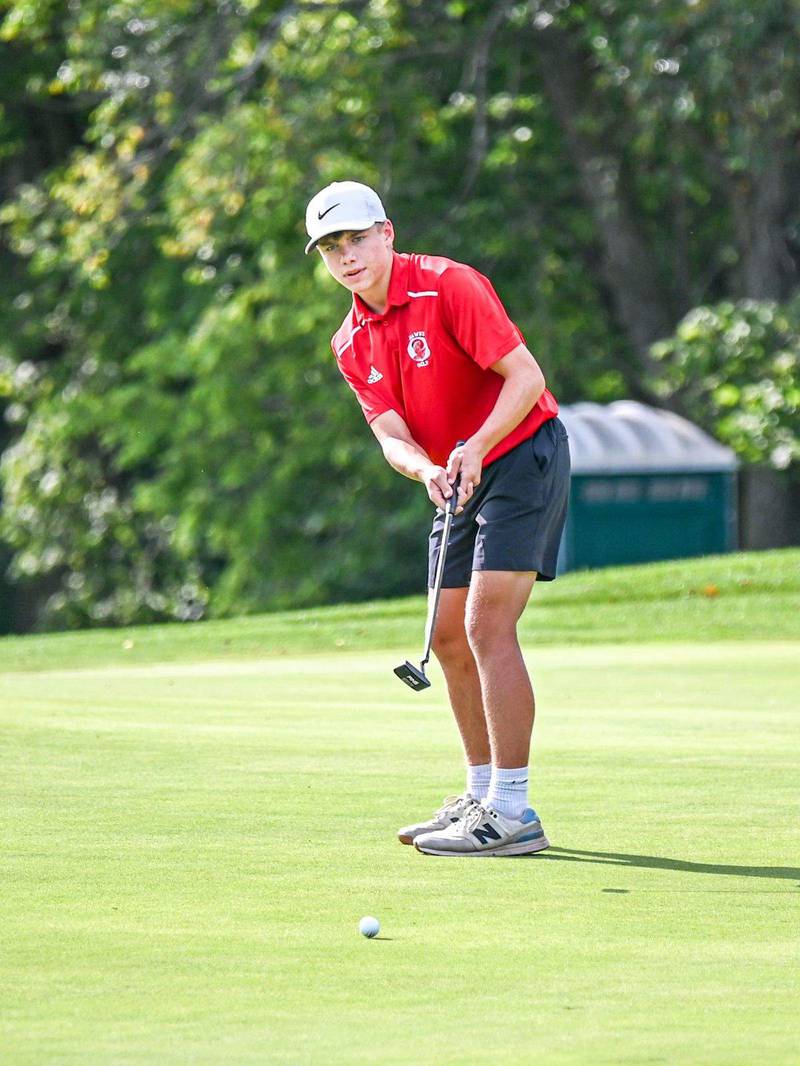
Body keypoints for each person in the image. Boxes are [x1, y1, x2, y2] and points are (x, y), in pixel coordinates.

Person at [304, 180, 570, 857]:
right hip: (452, 472)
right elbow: (391, 435)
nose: (347, 255)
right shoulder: (350, 342)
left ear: (386, 233)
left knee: (485, 625)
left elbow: (526, 378)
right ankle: (480, 795)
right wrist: (426, 469)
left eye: (357, 238)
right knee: (448, 636)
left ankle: (513, 810)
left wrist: (475, 447)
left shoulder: (449, 286)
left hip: (518, 453)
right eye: (332, 247)